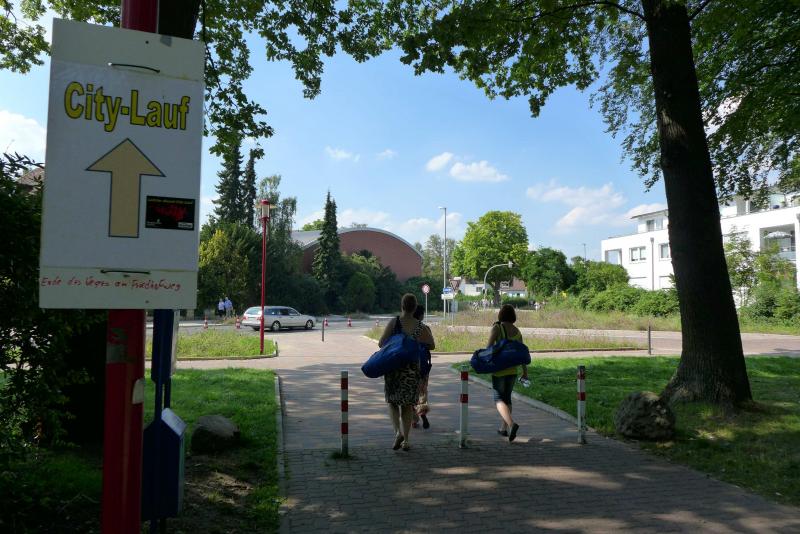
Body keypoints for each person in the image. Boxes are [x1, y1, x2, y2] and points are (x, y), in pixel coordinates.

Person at [378, 293, 435, 451]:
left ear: (402, 306)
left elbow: (381, 343)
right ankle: (407, 440)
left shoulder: (394, 322)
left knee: (392, 402)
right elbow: (432, 345)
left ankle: (398, 433)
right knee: (407, 405)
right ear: (415, 308)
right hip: (411, 370)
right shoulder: (420, 326)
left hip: (393, 367)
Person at [487, 304, 529, 442]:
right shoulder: (517, 331)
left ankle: (511, 424)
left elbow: (489, 348)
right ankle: (503, 429)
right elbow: (522, 353)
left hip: (499, 370)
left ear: (501, 314)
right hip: (513, 370)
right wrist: (525, 372)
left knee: (498, 399)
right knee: (507, 399)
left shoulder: (497, 328)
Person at [412, 304, 434, 429]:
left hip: (409, 365)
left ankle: (414, 419)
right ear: (421, 315)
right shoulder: (425, 328)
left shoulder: (407, 328)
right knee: (422, 391)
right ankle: (423, 411)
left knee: (411, 391)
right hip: (423, 366)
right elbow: (432, 346)